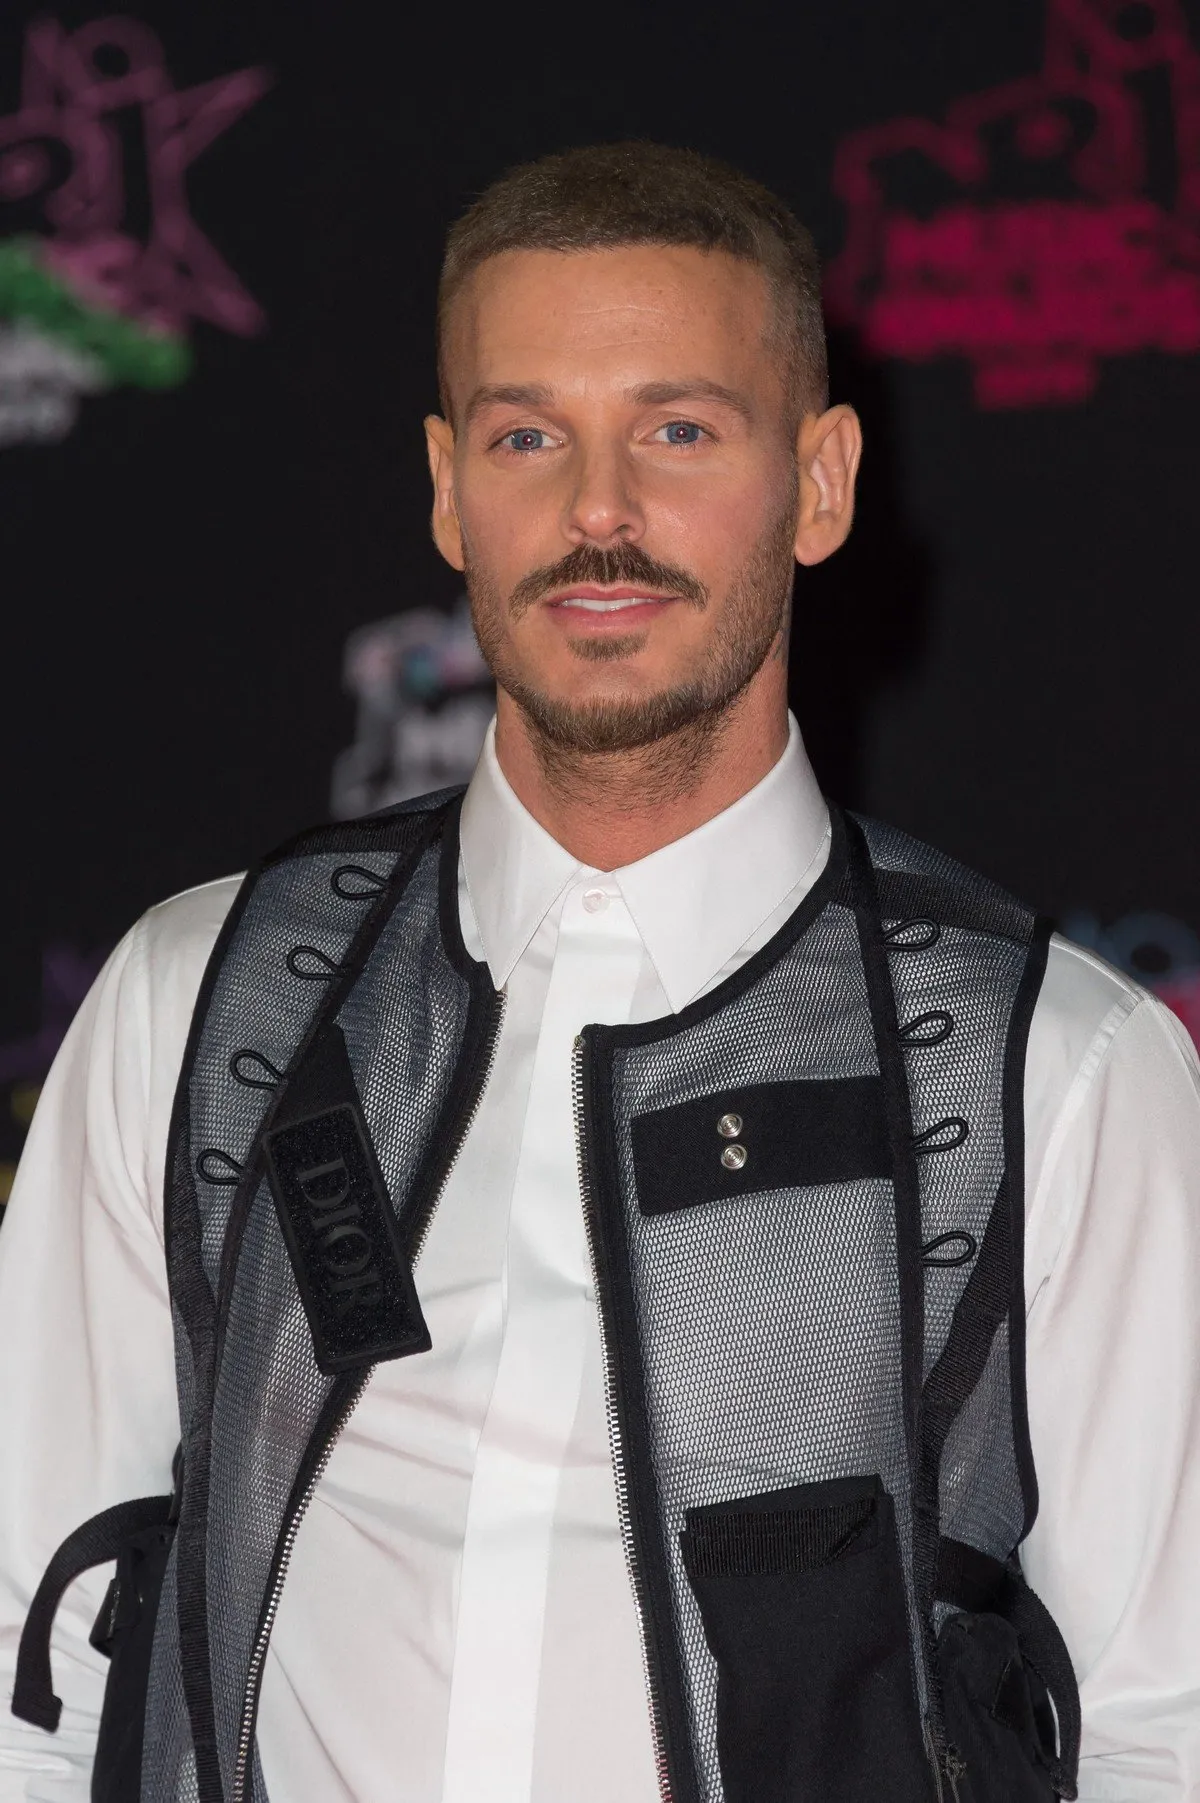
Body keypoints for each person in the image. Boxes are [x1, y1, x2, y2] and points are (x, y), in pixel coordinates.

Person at [1, 141, 1197, 1803]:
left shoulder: (1056, 1070)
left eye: (680, 428)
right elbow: (30, 1676)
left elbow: (1164, 1728)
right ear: (445, 486)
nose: (599, 513)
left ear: (825, 479)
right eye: (526, 434)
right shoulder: (198, 1001)